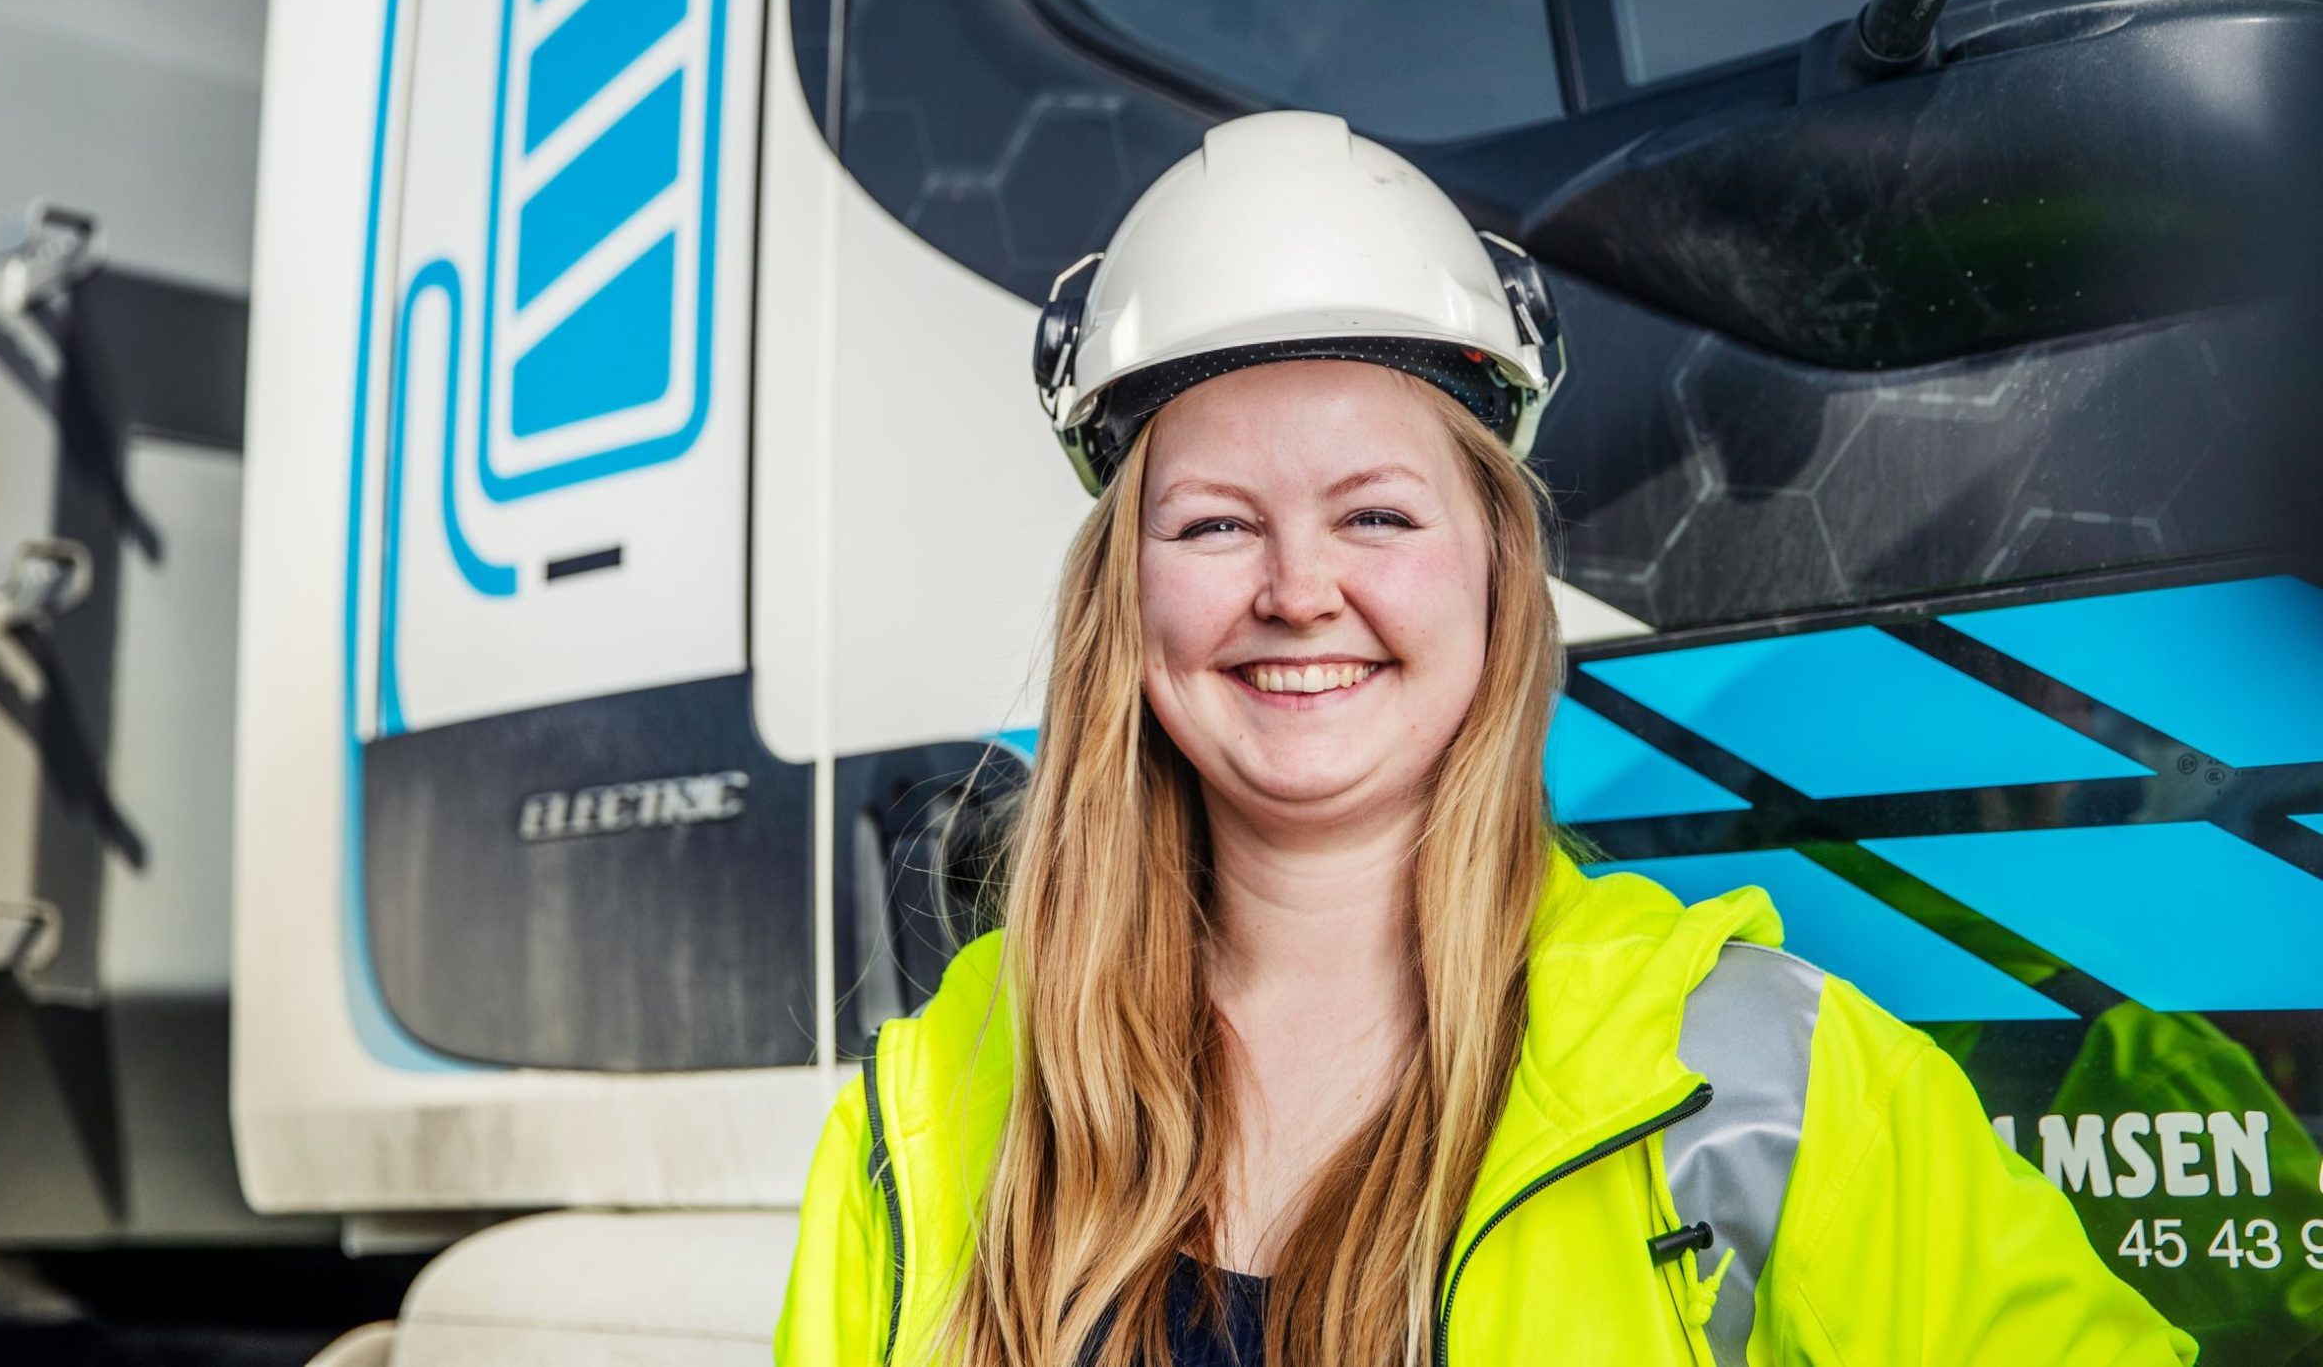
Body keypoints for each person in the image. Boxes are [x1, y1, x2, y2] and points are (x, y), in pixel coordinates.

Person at [775, 111, 2196, 1365]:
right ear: (1122, 600)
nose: (1298, 589)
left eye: (1376, 513)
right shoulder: (926, 1117)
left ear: (1495, 578)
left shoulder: (1756, 1086)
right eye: (1214, 524)